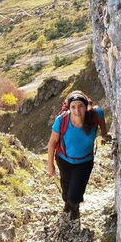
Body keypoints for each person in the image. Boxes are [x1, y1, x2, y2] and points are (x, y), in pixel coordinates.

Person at [47, 91, 109, 220]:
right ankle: (68, 205)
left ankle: (74, 211)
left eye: (80, 106)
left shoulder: (95, 114)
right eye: (73, 107)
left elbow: (102, 121)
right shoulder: (62, 120)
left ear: (86, 106)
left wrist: (104, 134)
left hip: (85, 162)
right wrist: (50, 164)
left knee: (76, 191)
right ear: (69, 108)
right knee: (66, 186)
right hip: (63, 160)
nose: (77, 110)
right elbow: (52, 142)